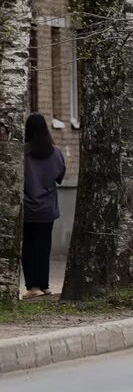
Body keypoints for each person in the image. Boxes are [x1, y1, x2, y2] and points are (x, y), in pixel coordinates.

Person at [22, 113, 66, 299]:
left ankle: (33, 287)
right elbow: (60, 176)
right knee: (43, 246)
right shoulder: (55, 152)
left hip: (27, 208)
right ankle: (45, 285)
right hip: (47, 209)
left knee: (28, 248)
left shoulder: (23, 153)